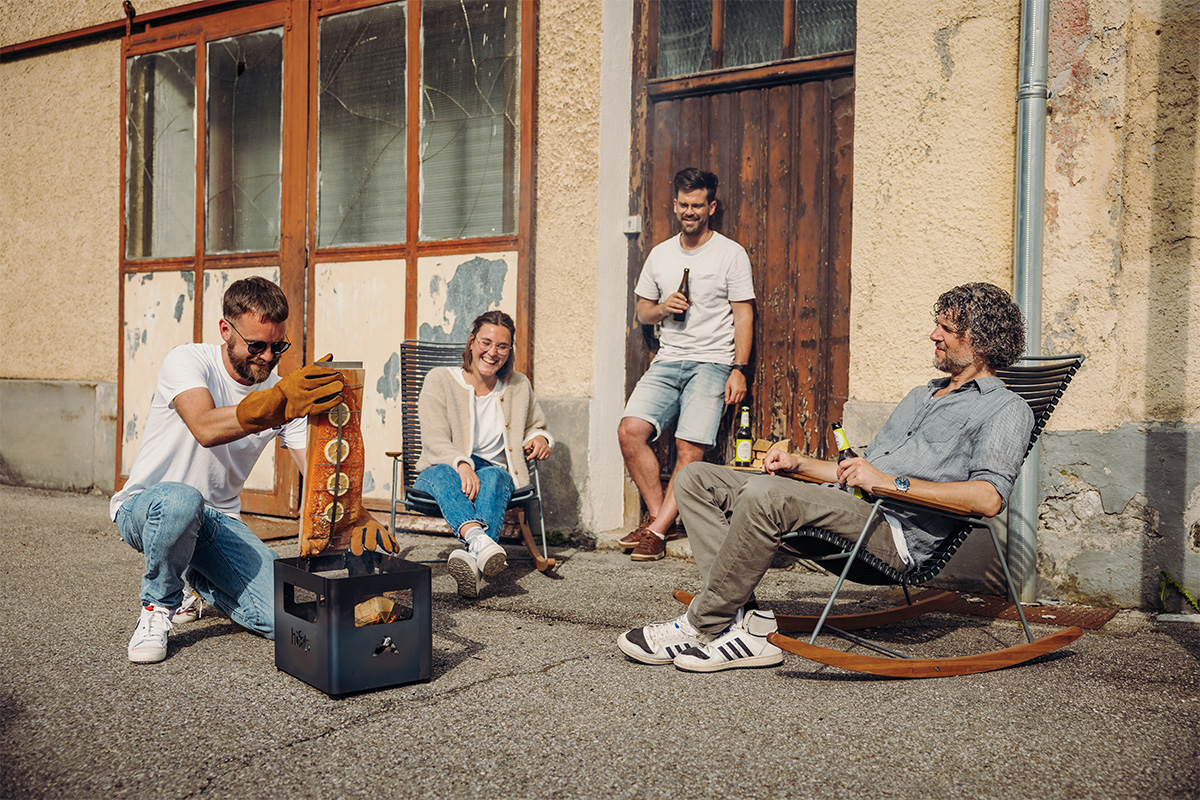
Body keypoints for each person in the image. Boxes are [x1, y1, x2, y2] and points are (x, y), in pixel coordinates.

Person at [618, 282, 1035, 672]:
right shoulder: (921, 395)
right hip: (854, 508)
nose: (933, 335)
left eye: (946, 328)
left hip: (894, 536)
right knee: (696, 479)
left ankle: (702, 623)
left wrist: (888, 484)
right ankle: (742, 623)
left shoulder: (1006, 409)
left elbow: (987, 499)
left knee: (766, 495)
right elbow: (862, 470)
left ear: (980, 342)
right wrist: (799, 465)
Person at [111, 277, 345, 664]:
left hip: (219, 524)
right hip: (149, 509)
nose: (268, 357)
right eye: (256, 346)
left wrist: (352, 512)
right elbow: (204, 427)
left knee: (288, 616)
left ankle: (196, 576)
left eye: (277, 346)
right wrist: (274, 405)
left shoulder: (284, 395)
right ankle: (156, 608)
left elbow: (317, 473)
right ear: (226, 329)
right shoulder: (188, 361)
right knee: (183, 500)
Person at [618, 167, 755, 563]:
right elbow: (643, 311)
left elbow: (744, 316)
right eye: (683, 204)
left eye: (697, 205)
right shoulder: (661, 254)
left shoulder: (730, 253)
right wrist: (663, 308)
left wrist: (739, 369)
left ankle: (656, 531)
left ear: (711, 207)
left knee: (688, 449)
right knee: (630, 431)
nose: (689, 211)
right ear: (674, 204)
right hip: (668, 360)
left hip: (712, 363)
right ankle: (665, 518)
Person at [413, 310, 553, 598]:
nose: (493, 352)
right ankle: (480, 542)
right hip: (443, 469)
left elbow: (535, 425)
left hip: (492, 472)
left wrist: (539, 438)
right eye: (485, 343)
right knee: (441, 472)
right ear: (472, 341)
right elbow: (434, 439)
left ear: (509, 350)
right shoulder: (440, 379)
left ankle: (473, 560)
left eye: (502, 346)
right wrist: (462, 465)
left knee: (498, 475)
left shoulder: (518, 385)